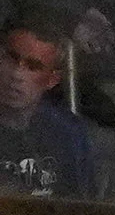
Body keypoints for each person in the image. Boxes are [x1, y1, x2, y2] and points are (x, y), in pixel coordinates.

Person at [0, 18, 97, 200]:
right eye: (12, 59)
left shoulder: (68, 134)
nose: (17, 74)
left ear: (52, 80)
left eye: (33, 67)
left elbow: (84, 212)